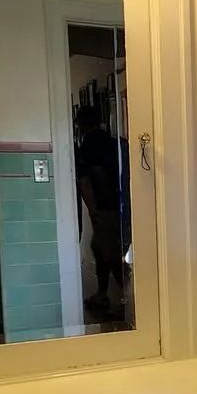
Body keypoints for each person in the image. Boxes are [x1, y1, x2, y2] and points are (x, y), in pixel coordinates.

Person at [74, 105, 130, 318]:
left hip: (105, 207)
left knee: (110, 253)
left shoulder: (89, 145)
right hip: (118, 204)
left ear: (82, 123)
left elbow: (86, 181)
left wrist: (93, 210)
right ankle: (102, 293)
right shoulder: (111, 142)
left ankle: (128, 299)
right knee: (99, 248)